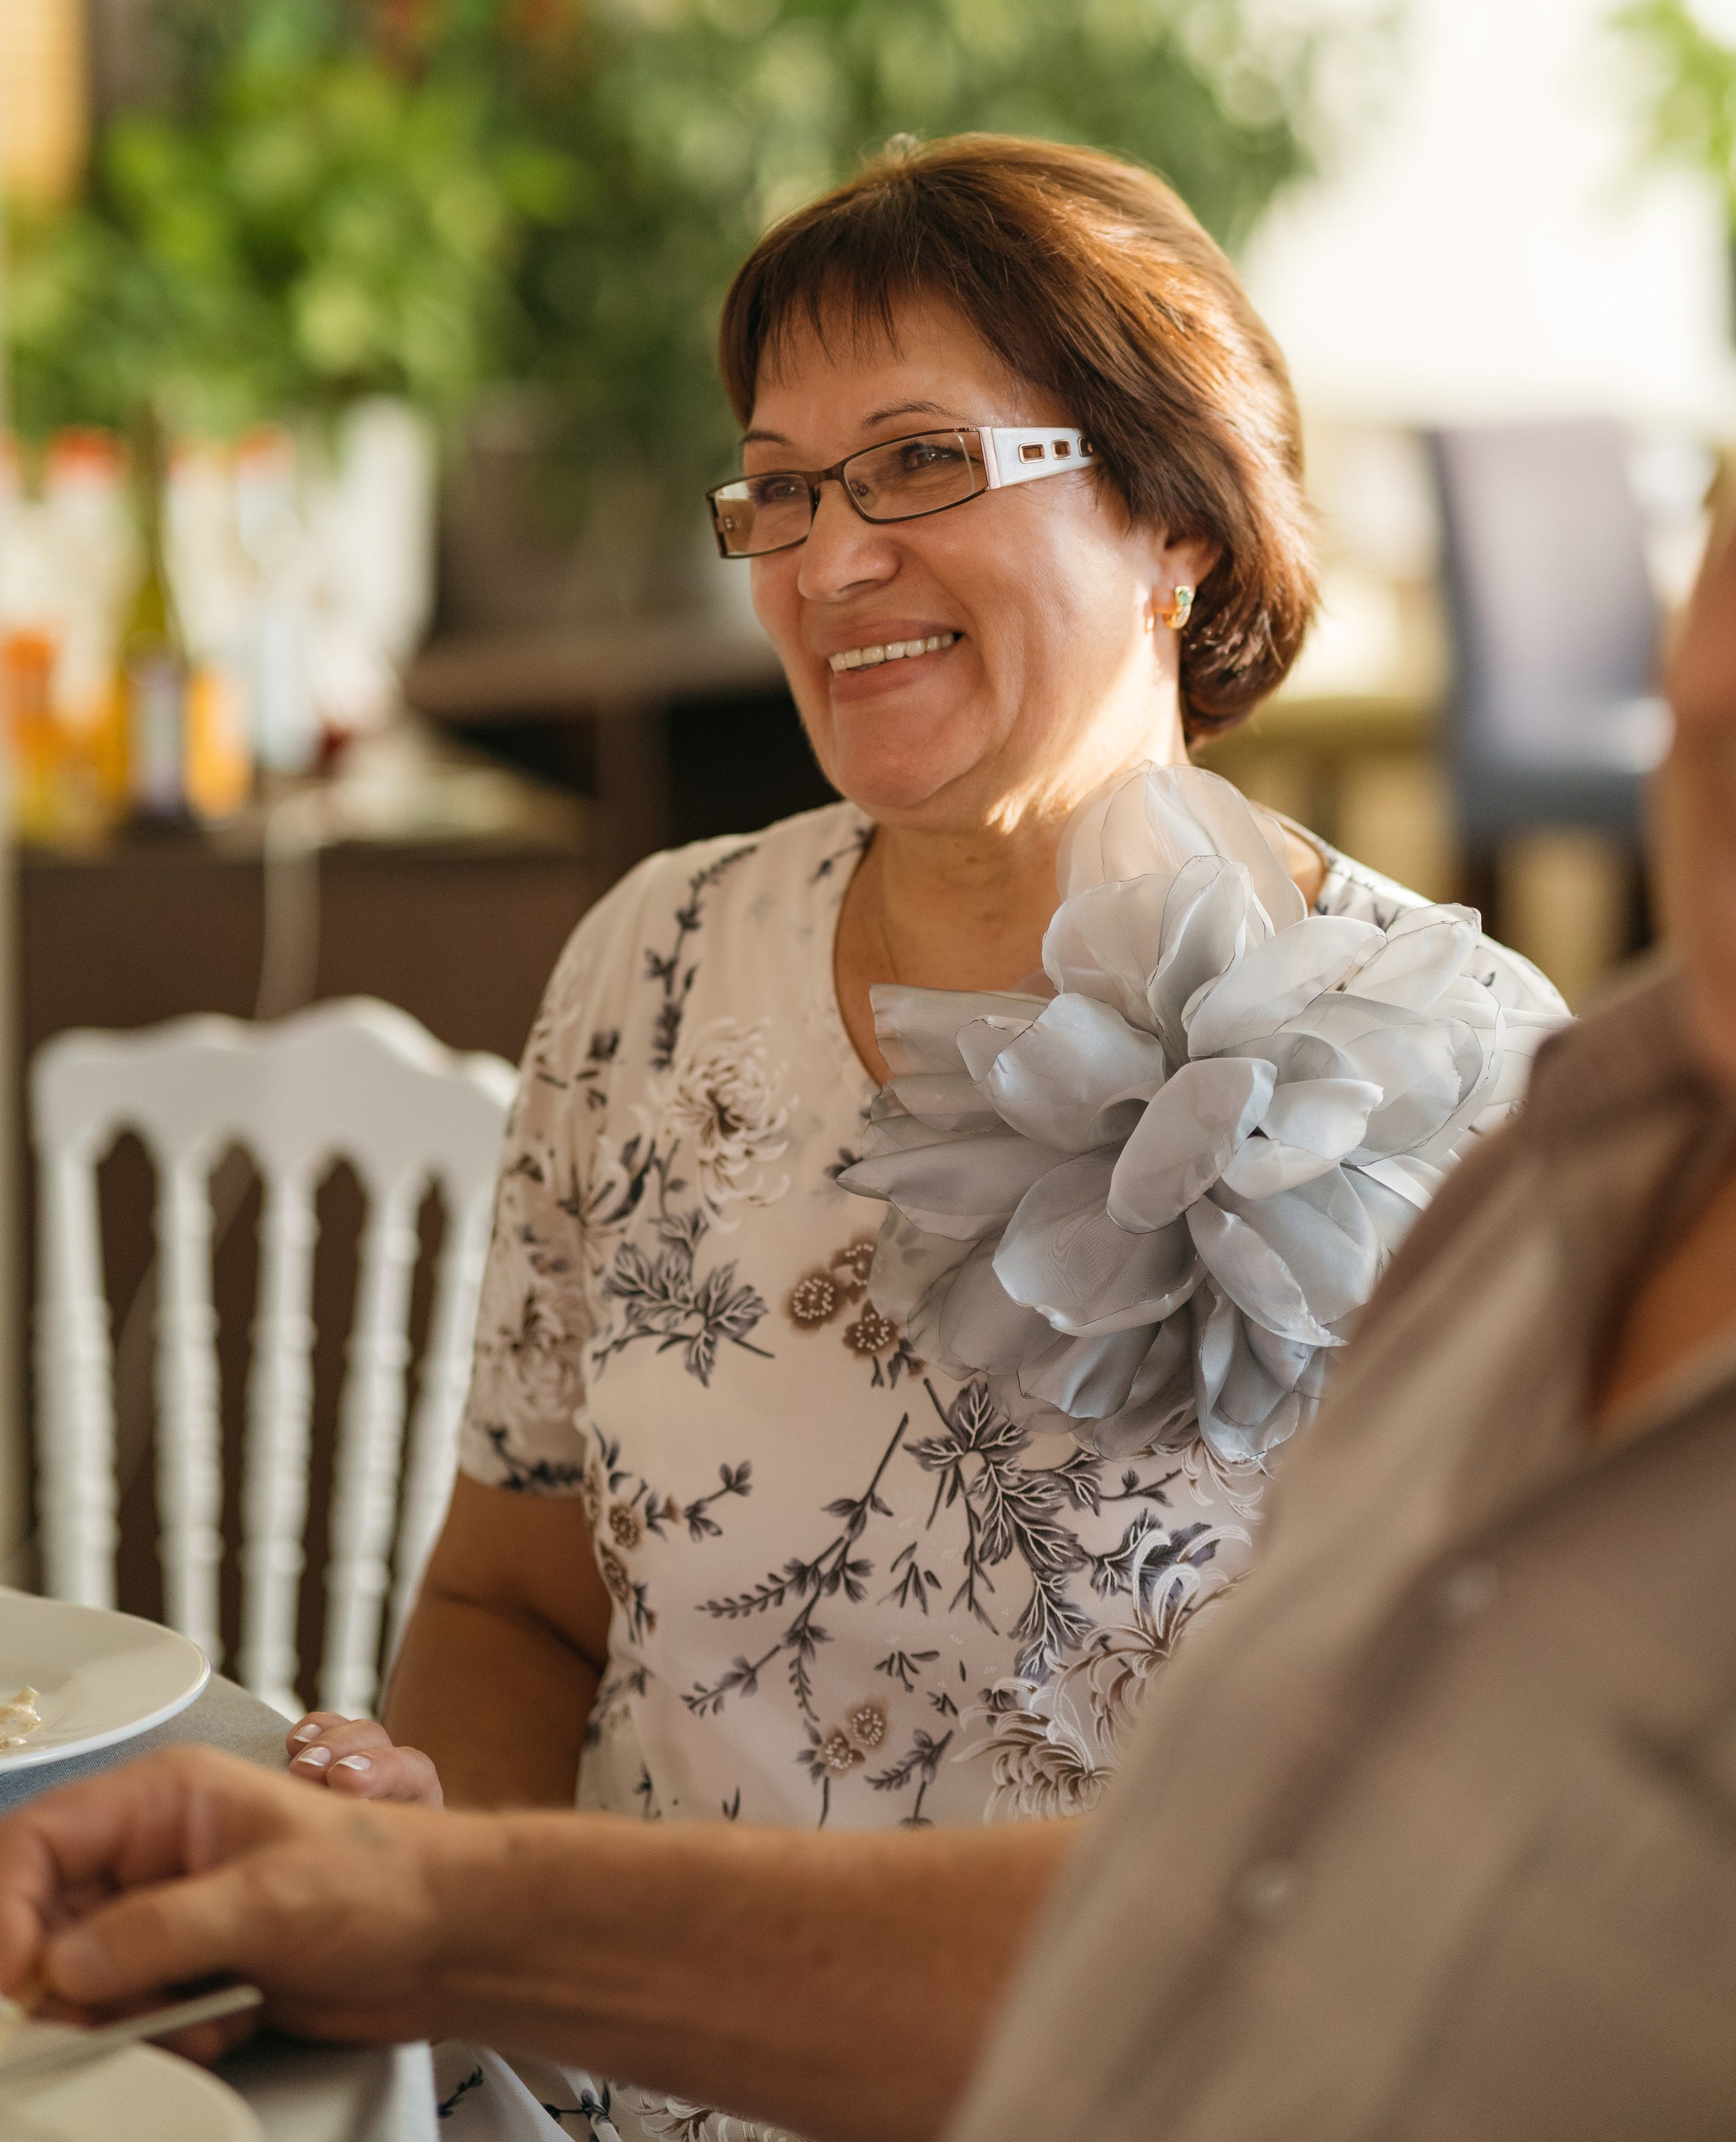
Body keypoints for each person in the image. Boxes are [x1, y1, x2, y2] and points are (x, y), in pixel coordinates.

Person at [0, 140, 1602, 2142]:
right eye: (780, 487)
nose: (828, 563)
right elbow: (518, 1598)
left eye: (924, 463)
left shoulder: (1476, 1088)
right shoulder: (653, 970)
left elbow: (1456, 1855)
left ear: (1173, 516)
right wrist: (424, 1865)